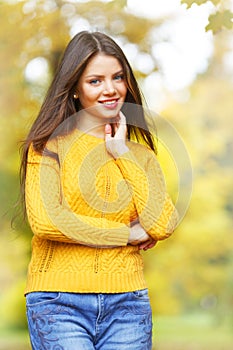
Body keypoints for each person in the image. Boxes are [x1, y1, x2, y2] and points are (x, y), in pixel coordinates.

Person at [20, 30, 179, 350]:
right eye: (95, 81)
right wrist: (127, 234)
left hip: (128, 304)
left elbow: (163, 223)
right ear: (75, 88)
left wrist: (121, 153)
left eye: (118, 77)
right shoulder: (47, 148)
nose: (110, 89)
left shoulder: (141, 156)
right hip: (57, 302)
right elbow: (48, 221)